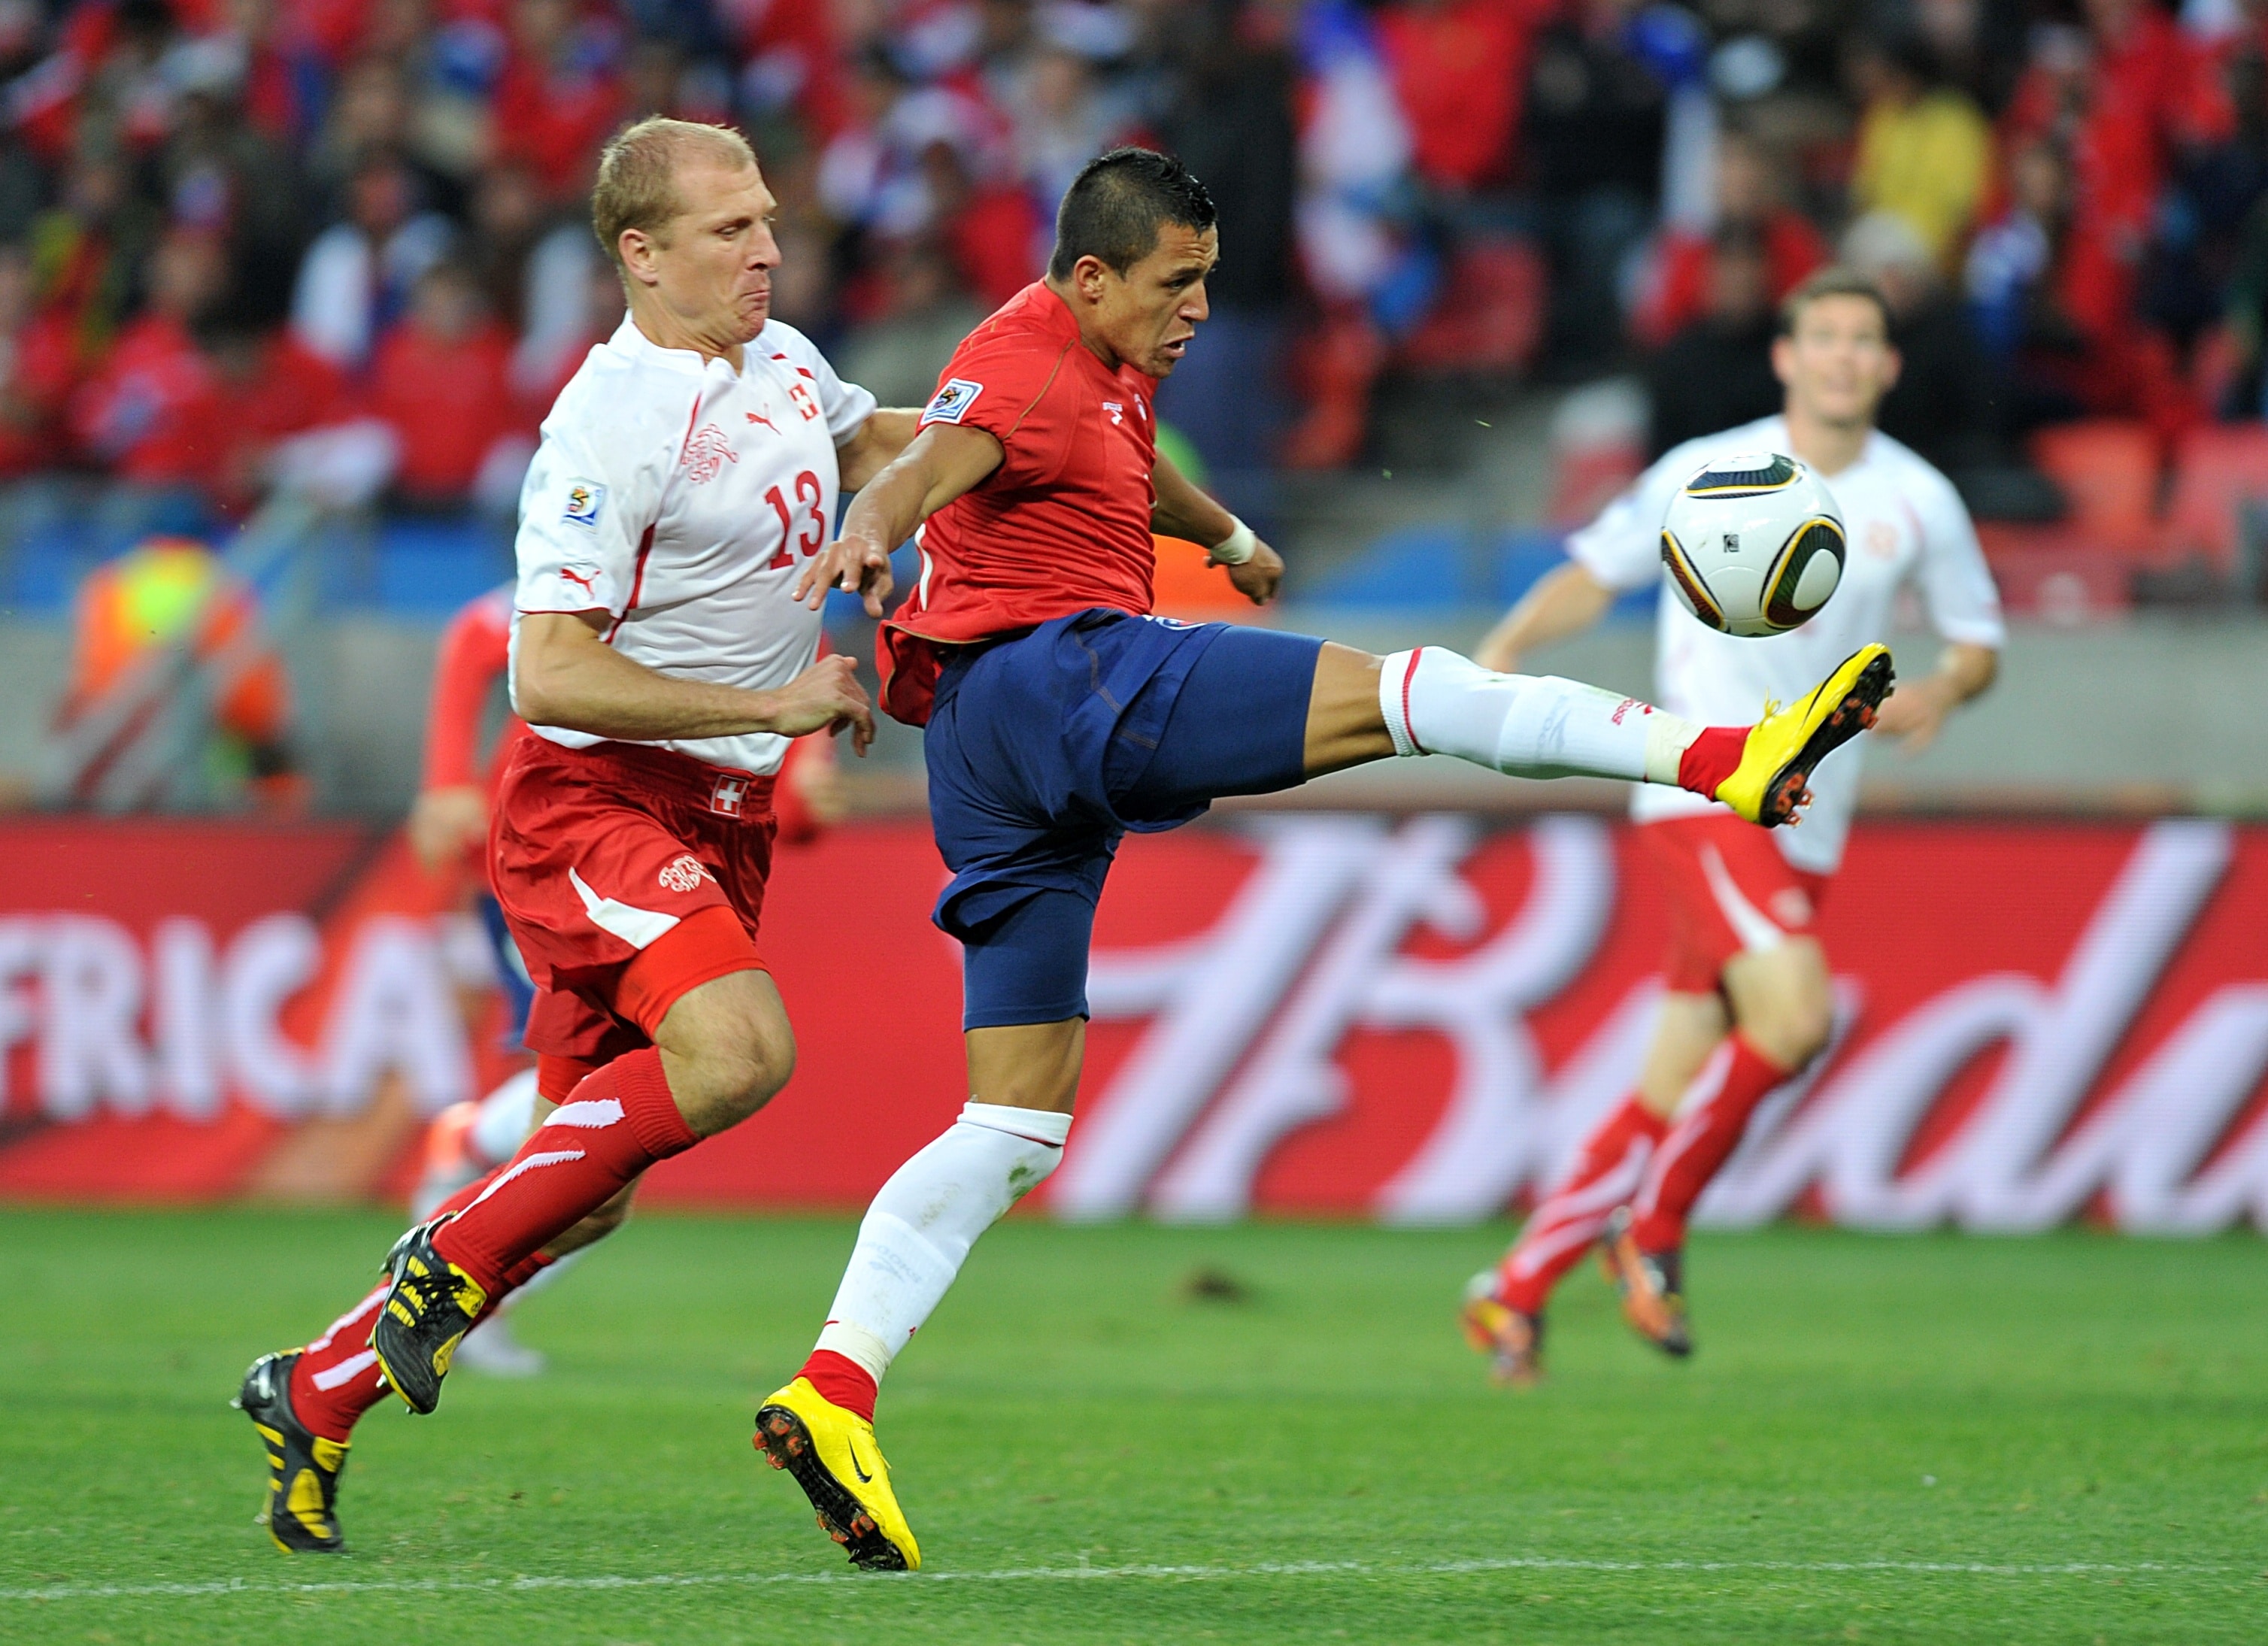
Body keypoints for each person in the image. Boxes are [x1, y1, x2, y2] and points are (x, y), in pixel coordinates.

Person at [753, 148, 1900, 1573]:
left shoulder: (1096, 366)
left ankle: (836, 1383)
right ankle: (1723, 754)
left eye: (1211, 286)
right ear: (1095, 274)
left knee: (1017, 1121)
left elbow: (1110, 460)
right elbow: (931, 464)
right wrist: (868, 541)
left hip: (986, 757)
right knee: (1417, 691)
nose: (1198, 315)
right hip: (1057, 681)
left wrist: (1223, 528)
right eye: (1178, 287)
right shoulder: (1027, 361)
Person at [235, 115, 916, 1554]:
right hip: (591, 800)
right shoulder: (608, 420)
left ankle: (318, 1383)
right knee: (738, 1051)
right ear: (641, 252)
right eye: (731, 229)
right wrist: (772, 696)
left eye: (770, 219)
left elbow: (885, 441)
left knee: (583, 1188)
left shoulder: (782, 362)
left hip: (718, 814)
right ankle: (441, 1262)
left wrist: (1020, 428)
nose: (768, 248)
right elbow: (543, 668)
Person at [1460, 266, 2004, 1387]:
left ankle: (1512, 1291)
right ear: (1787, 357)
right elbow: (1592, 572)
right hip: (1704, 792)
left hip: (1810, 818)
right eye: (1826, 337)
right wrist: (1504, 653)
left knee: (1673, 1080)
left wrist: (1947, 693)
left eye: (1865, 339)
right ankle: (1653, 1228)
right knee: (1796, 1018)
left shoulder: (1920, 499)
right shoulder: (1710, 473)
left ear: (1889, 366)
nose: (1845, 355)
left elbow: (1978, 640)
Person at [405, 581, 850, 1376]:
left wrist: (811, 787)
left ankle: (461, 1252)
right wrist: (446, 779)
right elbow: (476, 638)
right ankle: (470, 1187)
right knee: (612, 1121)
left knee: (606, 1171)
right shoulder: (628, 580)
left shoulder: (797, 640)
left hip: (688, 866)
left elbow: (792, 799)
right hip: (569, 851)